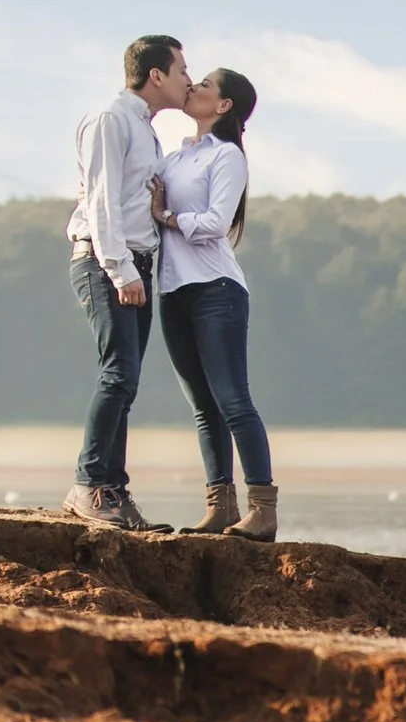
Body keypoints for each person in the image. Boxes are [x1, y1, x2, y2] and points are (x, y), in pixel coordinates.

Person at [62, 34, 191, 531]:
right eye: (181, 70)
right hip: (106, 261)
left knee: (126, 379)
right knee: (118, 373)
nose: (188, 80)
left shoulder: (145, 129)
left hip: (137, 262)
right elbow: (101, 201)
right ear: (155, 74)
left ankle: (111, 491)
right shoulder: (110, 120)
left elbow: (132, 199)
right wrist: (120, 269)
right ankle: (91, 484)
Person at [151, 68, 278, 541]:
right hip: (173, 290)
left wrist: (166, 216)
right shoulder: (176, 156)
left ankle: (262, 510)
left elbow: (214, 223)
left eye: (204, 85)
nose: (194, 87)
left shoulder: (227, 156)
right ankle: (220, 506)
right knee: (203, 405)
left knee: (232, 400)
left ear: (223, 105)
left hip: (215, 289)